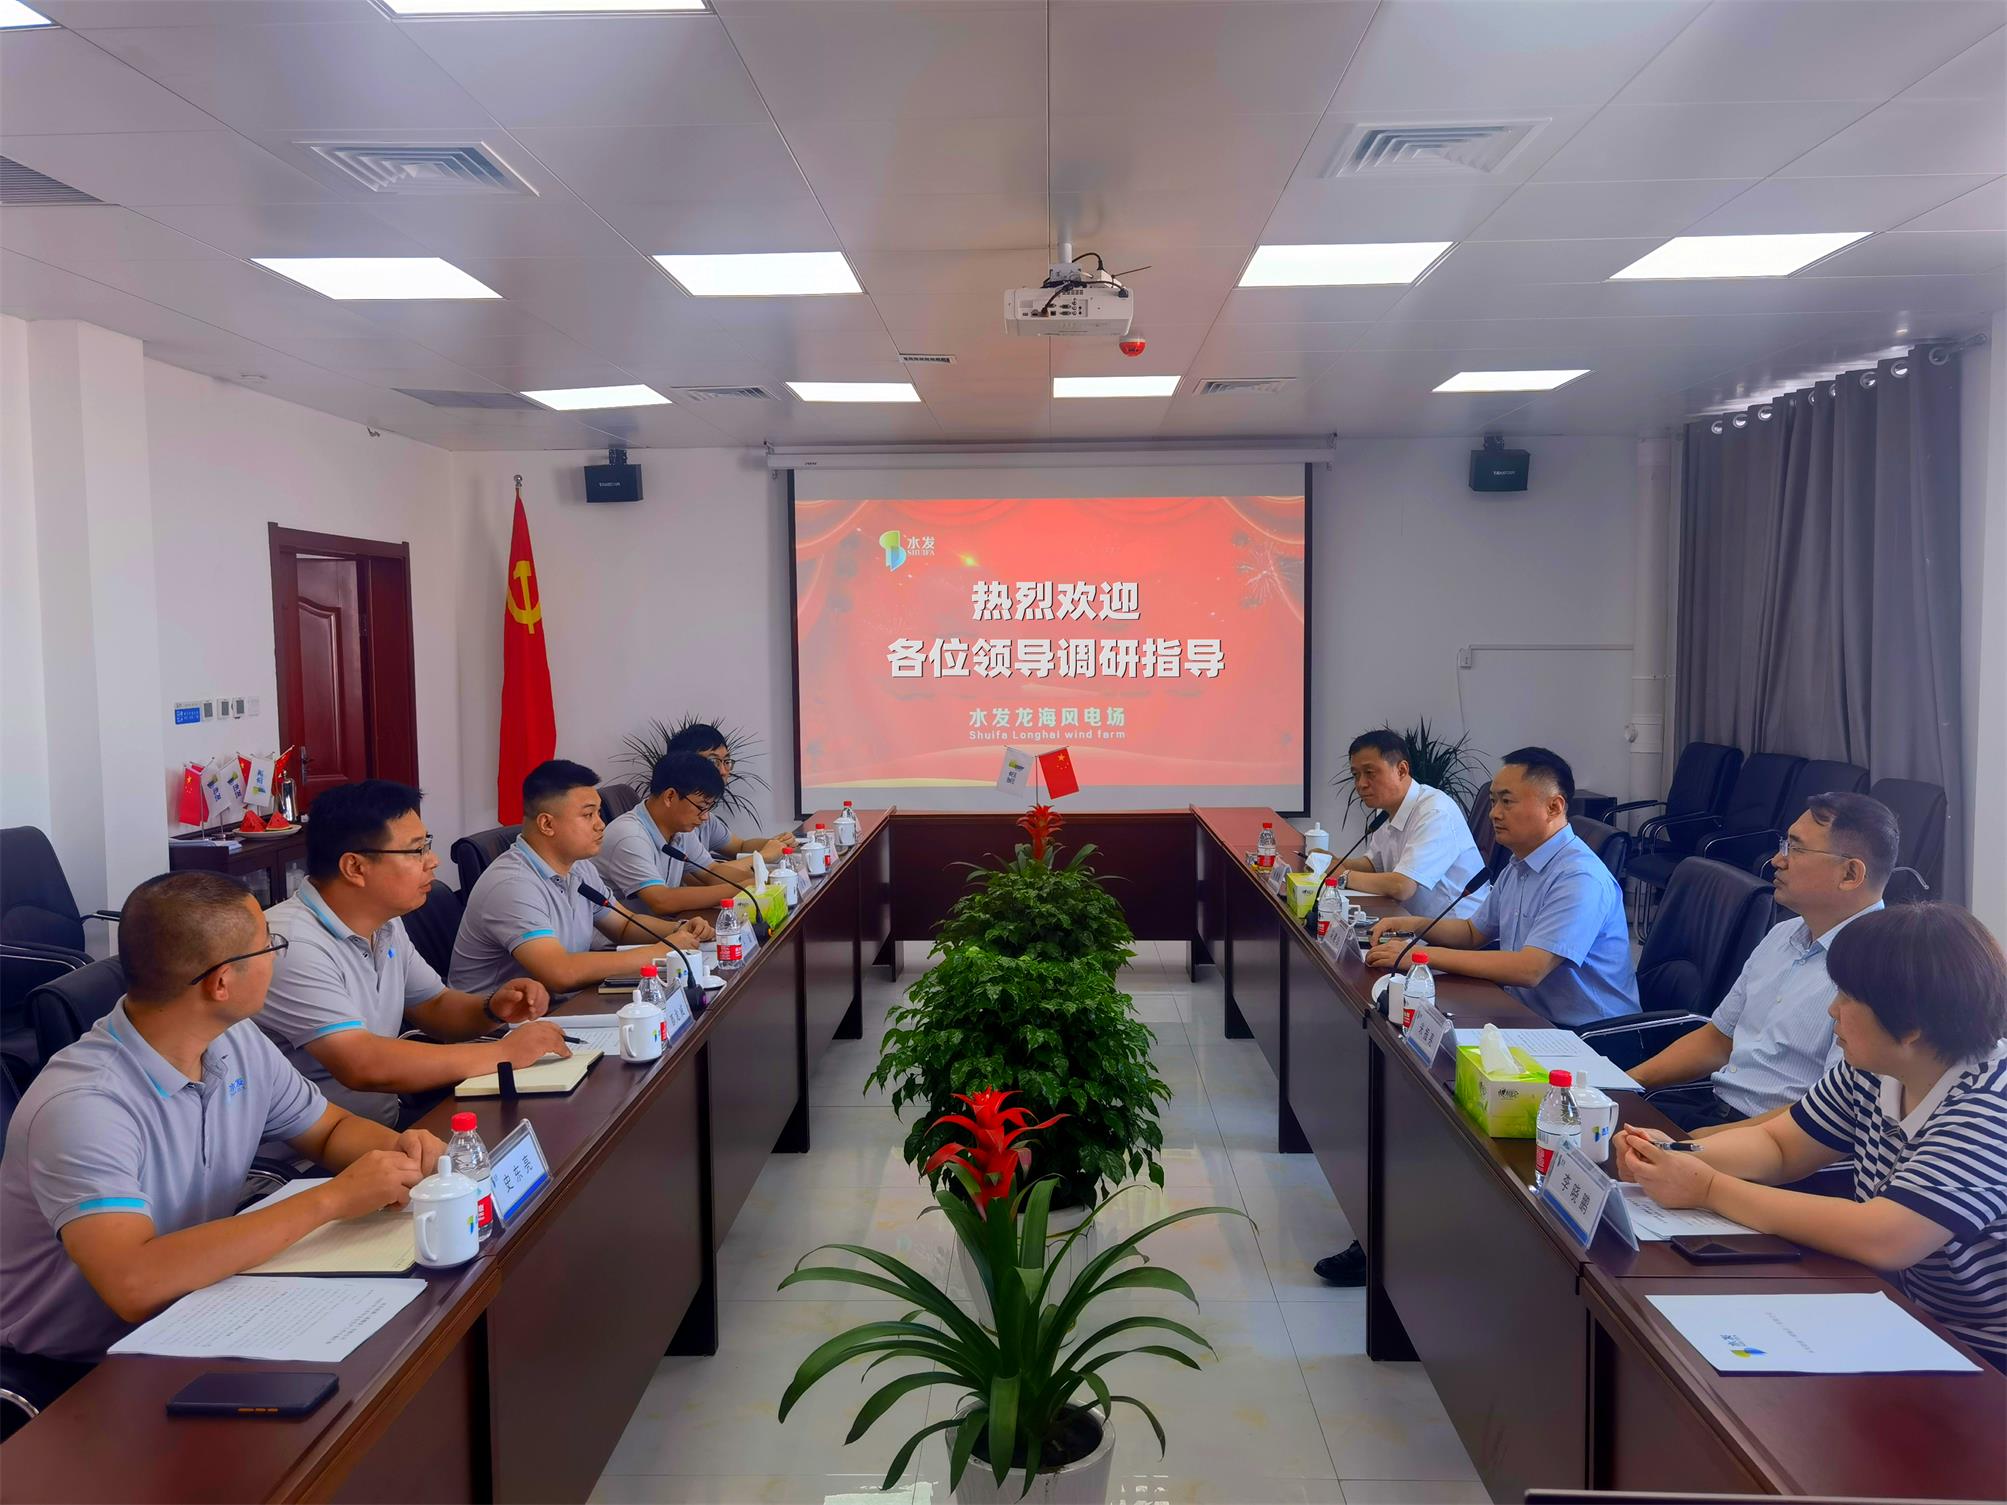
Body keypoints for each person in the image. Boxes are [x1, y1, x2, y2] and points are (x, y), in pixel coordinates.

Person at [0, 872, 444, 1381]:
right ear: (221, 982)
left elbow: (327, 1130)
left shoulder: (234, 1040)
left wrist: (404, 1154)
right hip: (75, 1370)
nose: (277, 958)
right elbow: (133, 1283)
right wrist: (333, 1199)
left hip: (197, 1309)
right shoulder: (85, 1106)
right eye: (269, 947)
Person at [1617, 903, 2007, 1373]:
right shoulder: (1877, 1068)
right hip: (1918, 1317)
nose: (1832, 1010)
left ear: (1910, 1027)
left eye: (1848, 997)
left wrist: (1708, 1188)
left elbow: (1884, 1237)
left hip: (1987, 1352)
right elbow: (1781, 1146)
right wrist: (1671, 1153)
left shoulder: (1989, 1107)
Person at [258, 779, 573, 1128]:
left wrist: (492, 1008)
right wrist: (503, 1053)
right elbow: (362, 1063)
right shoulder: (289, 944)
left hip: (382, 1128)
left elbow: (434, 1006)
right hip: (316, 1151)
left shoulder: (385, 923)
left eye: (427, 845)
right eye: (416, 850)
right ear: (355, 868)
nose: (432, 861)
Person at [1631, 792, 1896, 1134]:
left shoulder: (1880, 971)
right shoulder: (1783, 933)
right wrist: (1622, 1083)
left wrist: (1696, 1143)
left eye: (1796, 849)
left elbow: (1832, 1113)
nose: (1777, 860)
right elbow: (1719, 1039)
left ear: (1849, 873)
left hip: (1776, 1143)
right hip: (1713, 1111)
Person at [1368, 746, 1638, 1027]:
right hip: (1526, 1013)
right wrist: (1411, 925)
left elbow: (1530, 969)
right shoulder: (1519, 864)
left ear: (1554, 807)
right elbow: (1473, 933)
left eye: (1507, 802)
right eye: (1493, 801)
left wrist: (1421, 957)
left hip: (1590, 1035)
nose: (1494, 814)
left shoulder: (1579, 878)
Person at [450, 760, 708, 998]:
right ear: (547, 824)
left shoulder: (579, 866)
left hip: (560, 1007)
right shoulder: (512, 885)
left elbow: (623, 926)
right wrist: (659, 951)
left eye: (598, 813)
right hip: (499, 1025)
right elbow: (560, 972)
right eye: (588, 815)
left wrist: (678, 930)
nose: (600, 824)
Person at [1329, 728, 1486, 919]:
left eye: (1370, 773)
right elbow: (1373, 864)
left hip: (1457, 927)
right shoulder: (1386, 808)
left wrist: (1343, 876)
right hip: (1411, 921)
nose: (1361, 784)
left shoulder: (1434, 811)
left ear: (1401, 770)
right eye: (1356, 775)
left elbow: (1402, 886)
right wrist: (1333, 863)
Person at [597, 752, 741, 922]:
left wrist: (758, 882)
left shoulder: (679, 829)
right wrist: (739, 889)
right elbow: (661, 900)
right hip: (624, 936)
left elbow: (712, 871)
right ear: (670, 796)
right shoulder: (629, 836)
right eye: (702, 807)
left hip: (662, 927)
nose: (705, 817)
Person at [664, 723, 791, 865]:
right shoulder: (675, 823)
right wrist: (764, 856)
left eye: (726, 762)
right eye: (713, 761)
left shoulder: (706, 817)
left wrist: (775, 844)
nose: (723, 771)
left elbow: (740, 847)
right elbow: (704, 874)